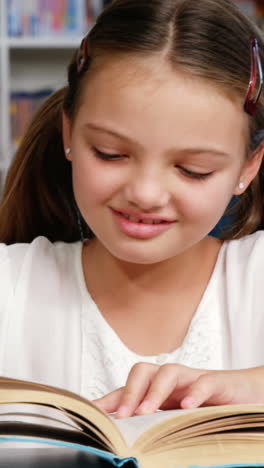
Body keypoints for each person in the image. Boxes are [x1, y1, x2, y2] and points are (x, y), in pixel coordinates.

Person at [0, 0, 264, 420]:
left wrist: (251, 386)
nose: (145, 193)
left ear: (248, 166)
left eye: (192, 170)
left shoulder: (255, 279)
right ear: (69, 131)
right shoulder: (10, 287)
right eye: (110, 154)